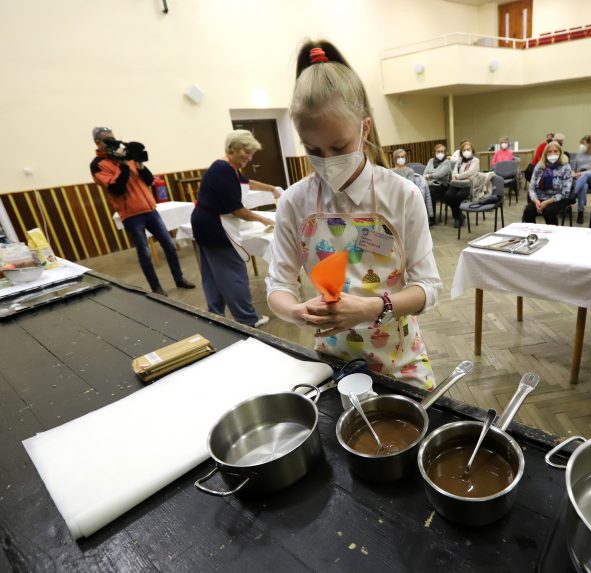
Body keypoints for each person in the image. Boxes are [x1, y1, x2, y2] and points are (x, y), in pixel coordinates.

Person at [265, 41, 442, 390]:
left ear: (364, 129)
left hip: (399, 359)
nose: (327, 159)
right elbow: (279, 286)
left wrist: (371, 308)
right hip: (331, 364)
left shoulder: (400, 195)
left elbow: (429, 288)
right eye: (313, 150)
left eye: (339, 146)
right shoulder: (294, 202)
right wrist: (296, 312)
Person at [90, 127, 195, 296]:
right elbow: (116, 188)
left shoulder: (126, 156)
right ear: (97, 142)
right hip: (131, 215)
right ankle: (156, 287)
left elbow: (148, 181)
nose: (113, 143)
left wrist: (138, 163)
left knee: (169, 245)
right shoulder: (97, 165)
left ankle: (179, 278)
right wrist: (123, 165)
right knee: (144, 253)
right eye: (107, 140)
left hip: (150, 209)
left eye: (113, 138)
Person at [191, 130, 277, 328]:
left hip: (203, 224)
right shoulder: (223, 170)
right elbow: (238, 211)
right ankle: (248, 318)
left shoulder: (227, 167)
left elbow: (246, 182)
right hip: (214, 228)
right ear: (231, 149)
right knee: (233, 271)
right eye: (245, 152)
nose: (249, 157)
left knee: (212, 273)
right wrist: (265, 220)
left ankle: (216, 314)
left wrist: (271, 188)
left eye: (251, 153)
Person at [522, 141, 571, 225]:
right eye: (550, 151)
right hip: (539, 198)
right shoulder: (539, 166)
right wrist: (535, 200)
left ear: (560, 153)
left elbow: (565, 192)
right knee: (528, 211)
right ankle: (531, 235)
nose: (553, 154)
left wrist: (547, 202)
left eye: (555, 151)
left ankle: (552, 235)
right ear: (545, 154)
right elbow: (532, 187)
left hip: (557, 198)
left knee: (548, 211)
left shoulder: (565, 167)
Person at [447, 140, 486, 228]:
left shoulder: (475, 160)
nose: (466, 151)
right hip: (457, 183)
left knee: (458, 196)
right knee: (448, 196)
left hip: (469, 184)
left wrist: (458, 176)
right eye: (464, 150)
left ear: (472, 150)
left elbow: (470, 172)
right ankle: (460, 215)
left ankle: (457, 218)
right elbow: (454, 170)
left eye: (468, 149)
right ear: (461, 152)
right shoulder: (460, 160)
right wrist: (455, 176)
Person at [423, 143, 452, 223]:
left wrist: (429, 176)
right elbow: (425, 172)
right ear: (434, 153)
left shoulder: (447, 162)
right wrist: (430, 176)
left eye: (442, 151)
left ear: (445, 153)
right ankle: (424, 216)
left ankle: (432, 218)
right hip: (430, 184)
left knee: (431, 192)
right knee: (421, 191)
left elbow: (440, 174)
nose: (440, 153)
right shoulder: (431, 160)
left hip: (442, 185)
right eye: (438, 151)